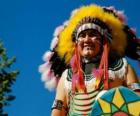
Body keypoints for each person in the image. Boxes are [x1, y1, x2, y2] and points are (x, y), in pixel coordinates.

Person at [39, 4, 140, 116]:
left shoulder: (122, 68)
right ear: (76, 44)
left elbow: (137, 101)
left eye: (93, 34)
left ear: (104, 40)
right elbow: (58, 110)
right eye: (82, 35)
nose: (87, 40)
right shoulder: (67, 77)